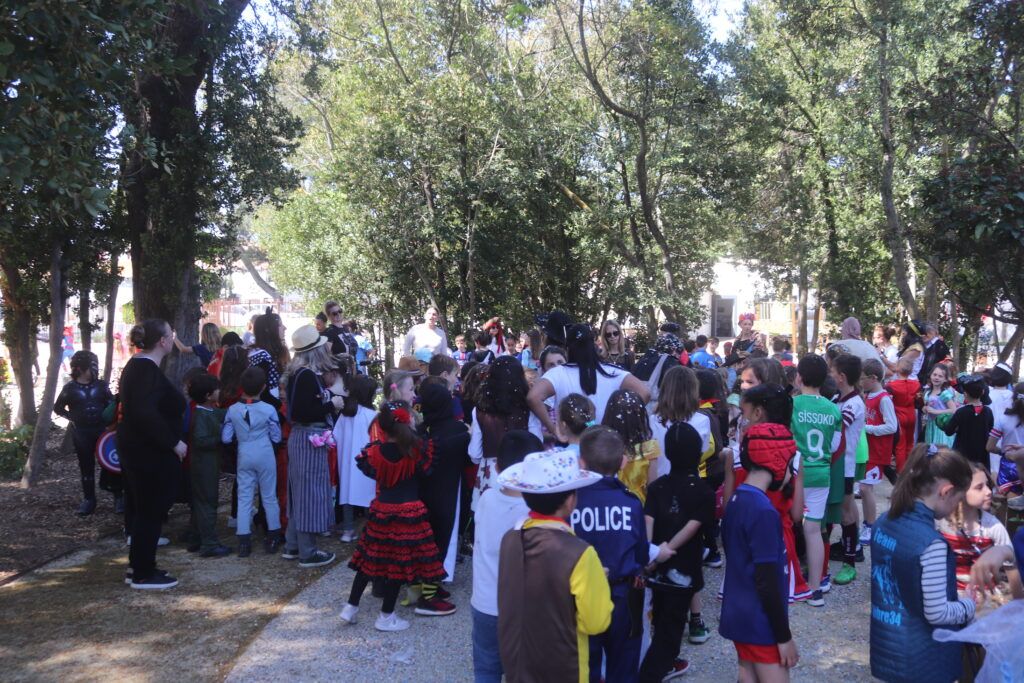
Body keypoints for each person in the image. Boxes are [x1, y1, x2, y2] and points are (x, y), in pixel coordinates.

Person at [496, 450, 612, 683]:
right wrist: (599, 582)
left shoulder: (510, 539)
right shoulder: (580, 553)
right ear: (570, 501)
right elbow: (596, 622)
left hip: (517, 664)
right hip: (563, 668)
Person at [869, 444, 974, 683]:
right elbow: (937, 613)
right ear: (946, 491)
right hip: (922, 661)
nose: (956, 509)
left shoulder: (883, 522)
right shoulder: (931, 543)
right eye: (958, 500)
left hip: (887, 650)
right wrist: (970, 604)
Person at [341, 401, 448, 632]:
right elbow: (427, 471)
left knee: (368, 560)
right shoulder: (416, 450)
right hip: (408, 513)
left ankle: (350, 607)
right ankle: (386, 616)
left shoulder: (374, 452)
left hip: (382, 509)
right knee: (397, 566)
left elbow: (369, 469)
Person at [719, 400, 799, 682]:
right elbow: (767, 580)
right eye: (789, 464)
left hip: (739, 613)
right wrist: (783, 636)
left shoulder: (737, 500)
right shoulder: (764, 512)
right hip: (760, 624)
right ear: (778, 461)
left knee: (747, 676)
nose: (790, 473)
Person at [571, 427, 652, 683]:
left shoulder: (572, 501)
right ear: (623, 462)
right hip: (623, 595)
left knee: (585, 666)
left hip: (582, 595)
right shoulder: (631, 502)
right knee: (624, 667)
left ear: (581, 462)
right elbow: (641, 552)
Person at [641, 422, 714, 682]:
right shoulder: (704, 492)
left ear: (668, 453)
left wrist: (651, 553)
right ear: (698, 454)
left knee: (660, 618)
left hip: (656, 567)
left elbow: (648, 520)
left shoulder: (657, 487)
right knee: (671, 630)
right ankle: (650, 674)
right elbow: (692, 527)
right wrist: (669, 549)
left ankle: (659, 664)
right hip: (682, 570)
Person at [117, 319, 187, 590]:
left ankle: (139, 565)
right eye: (171, 334)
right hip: (147, 452)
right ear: (163, 341)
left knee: (147, 510)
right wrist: (173, 443)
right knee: (150, 510)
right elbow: (143, 413)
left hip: (143, 449)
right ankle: (143, 573)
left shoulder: (142, 367)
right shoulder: (143, 369)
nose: (173, 338)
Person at [472, 430, 540, 683]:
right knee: (522, 670)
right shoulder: (533, 512)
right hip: (521, 607)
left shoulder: (487, 499)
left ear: (498, 467)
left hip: (484, 603)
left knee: (486, 669)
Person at [281, 325, 342, 568]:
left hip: (301, 438)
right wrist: (332, 404)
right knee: (309, 494)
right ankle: (308, 552)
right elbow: (303, 412)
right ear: (315, 350)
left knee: (299, 493)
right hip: (309, 438)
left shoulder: (297, 373)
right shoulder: (307, 375)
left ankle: (293, 545)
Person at [791, 354, 842, 606]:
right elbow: (834, 446)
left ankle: (789, 582)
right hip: (821, 474)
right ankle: (815, 589)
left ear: (799, 377)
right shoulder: (834, 409)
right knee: (813, 530)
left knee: (787, 526)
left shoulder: (792, 404)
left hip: (795, 474)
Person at [527, 324, 649, 429]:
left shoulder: (557, 373)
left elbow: (533, 397)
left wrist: (553, 430)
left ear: (567, 348)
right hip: (606, 440)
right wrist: (621, 422)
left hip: (569, 442)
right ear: (593, 345)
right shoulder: (613, 372)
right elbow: (645, 393)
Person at [416, 381, 469, 615]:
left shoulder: (422, 430)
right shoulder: (457, 431)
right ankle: (428, 597)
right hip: (447, 492)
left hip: (424, 493)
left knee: (428, 541)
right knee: (440, 541)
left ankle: (428, 586)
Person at [222, 367, 283, 557]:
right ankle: (273, 536)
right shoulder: (269, 409)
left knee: (244, 496)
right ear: (263, 387)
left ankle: (244, 540)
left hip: (244, 452)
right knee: (269, 495)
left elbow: (225, 437)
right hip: (264, 452)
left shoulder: (232, 410)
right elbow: (276, 436)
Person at [469, 356, 543, 505]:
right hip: (522, 473)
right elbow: (537, 443)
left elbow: (474, 453)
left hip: (491, 475)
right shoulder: (527, 410)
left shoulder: (480, 410)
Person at [54, 350, 116, 516]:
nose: (95, 370)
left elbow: (111, 404)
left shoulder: (101, 386)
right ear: (80, 369)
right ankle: (89, 500)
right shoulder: (69, 389)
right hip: (82, 433)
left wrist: (111, 421)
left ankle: (118, 497)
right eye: (92, 366)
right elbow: (58, 408)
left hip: (103, 431)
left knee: (111, 463)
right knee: (86, 467)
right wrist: (72, 417)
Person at [937, 461, 1012, 591]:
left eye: (987, 485)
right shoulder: (940, 523)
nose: (988, 491)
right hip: (950, 595)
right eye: (979, 487)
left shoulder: (993, 526)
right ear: (959, 491)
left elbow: (1011, 568)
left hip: (986, 597)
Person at [184, 373, 232, 558]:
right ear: (208, 395)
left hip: (207, 464)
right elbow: (201, 440)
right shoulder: (201, 414)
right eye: (217, 390)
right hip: (204, 465)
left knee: (201, 502)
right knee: (207, 502)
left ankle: (196, 537)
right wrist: (221, 437)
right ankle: (209, 544)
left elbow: (223, 413)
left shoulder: (208, 411)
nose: (220, 392)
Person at [831, 353, 865, 586]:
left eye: (833, 372)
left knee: (846, 514)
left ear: (841, 377)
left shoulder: (854, 404)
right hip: (833, 464)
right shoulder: (837, 397)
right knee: (831, 512)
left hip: (845, 467)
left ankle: (850, 562)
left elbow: (837, 427)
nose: (830, 375)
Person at [333, 373, 379, 542]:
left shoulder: (345, 414)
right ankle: (371, 530)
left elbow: (336, 436)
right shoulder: (372, 415)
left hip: (346, 462)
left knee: (347, 494)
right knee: (368, 493)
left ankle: (348, 530)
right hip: (366, 462)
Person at [860, 359, 897, 546]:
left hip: (878, 451)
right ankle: (867, 523)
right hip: (868, 450)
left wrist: (867, 428)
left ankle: (870, 525)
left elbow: (892, 426)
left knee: (865, 489)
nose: (861, 382)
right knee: (863, 489)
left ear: (873, 378)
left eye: (863, 378)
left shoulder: (883, 399)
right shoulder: (868, 396)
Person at [602, 390, 660, 503]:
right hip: (637, 504)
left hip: (610, 503)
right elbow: (652, 485)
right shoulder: (649, 447)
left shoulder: (603, 445)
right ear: (640, 417)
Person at [941, 374, 994, 470]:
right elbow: (990, 429)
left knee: (962, 477)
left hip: (962, 455)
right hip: (981, 455)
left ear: (965, 394)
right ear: (983, 392)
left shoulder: (961, 412)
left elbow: (949, 431)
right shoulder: (988, 411)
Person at [987, 381, 1024, 502]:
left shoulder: (1003, 419)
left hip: (1009, 467)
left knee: (1012, 507)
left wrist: (1003, 452)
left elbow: (990, 447)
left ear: (1013, 397)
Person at [885, 356, 921, 473]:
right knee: (910, 443)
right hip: (911, 414)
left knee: (900, 445)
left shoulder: (891, 385)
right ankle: (910, 467)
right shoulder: (916, 384)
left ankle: (901, 471)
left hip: (899, 416)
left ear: (898, 368)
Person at [248, 311, 289, 403]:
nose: (284, 328)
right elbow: (261, 392)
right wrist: (279, 406)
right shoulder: (261, 356)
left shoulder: (271, 353)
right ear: (269, 330)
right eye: (280, 325)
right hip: (266, 408)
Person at [922, 364, 957, 447]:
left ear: (945, 379)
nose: (936, 378)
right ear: (930, 375)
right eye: (934, 375)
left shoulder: (944, 393)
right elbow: (926, 406)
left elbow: (953, 410)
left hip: (941, 426)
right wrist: (924, 408)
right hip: (930, 425)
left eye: (940, 376)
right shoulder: (928, 393)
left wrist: (936, 411)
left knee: (940, 449)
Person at [918, 323, 951, 387]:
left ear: (934, 333)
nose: (923, 335)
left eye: (926, 333)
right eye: (921, 333)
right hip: (920, 380)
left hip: (932, 382)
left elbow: (948, 361)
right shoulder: (922, 344)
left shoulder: (940, 345)